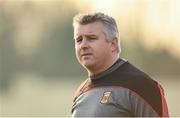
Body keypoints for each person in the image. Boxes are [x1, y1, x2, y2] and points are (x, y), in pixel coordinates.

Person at [71, 12, 169, 117]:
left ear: (113, 44)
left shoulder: (142, 86)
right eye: (79, 40)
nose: (83, 45)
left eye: (91, 38)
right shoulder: (80, 93)